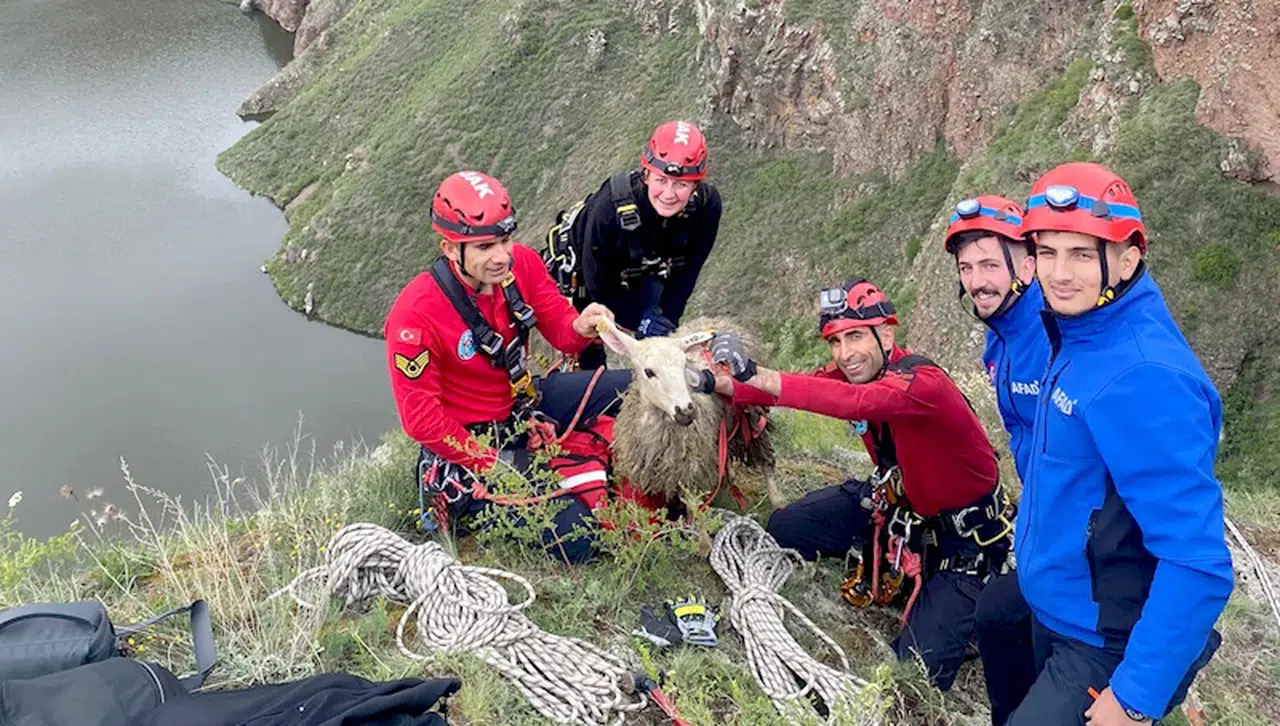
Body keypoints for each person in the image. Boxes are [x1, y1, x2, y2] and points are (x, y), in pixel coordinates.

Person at [1006, 162, 1233, 725]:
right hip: (1064, 607)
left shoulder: (1142, 375)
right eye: (1049, 251)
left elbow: (1198, 559)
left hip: (1106, 639)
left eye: (1082, 253)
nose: (1060, 273)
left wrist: (1133, 698)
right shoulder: (1082, 329)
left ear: (1127, 258)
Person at [707, 279, 1014, 692]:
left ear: (886, 334)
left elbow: (856, 403)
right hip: (896, 510)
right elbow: (804, 389)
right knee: (784, 529)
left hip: (962, 544)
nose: (844, 354)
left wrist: (753, 371)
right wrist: (719, 384)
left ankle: (973, 607)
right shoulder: (862, 373)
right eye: (835, 341)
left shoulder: (924, 384)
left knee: (914, 672)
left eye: (854, 337)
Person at [384, 170, 630, 564]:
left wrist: (582, 325)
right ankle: (476, 509)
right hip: (468, 445)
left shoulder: (524, 267)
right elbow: (420, 419)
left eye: (505, 240)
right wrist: (490, 464)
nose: (501, 256)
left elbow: (561, 329)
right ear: (450, 249)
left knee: (637, 388)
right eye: (484, 246)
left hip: (521, 408)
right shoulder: (416, 314)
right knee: (583, 538)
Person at [944, 195, 1044, 725]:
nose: (977, 280)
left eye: (989, 264)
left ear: (1025, 264)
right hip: (1043, 514)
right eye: (966, 267)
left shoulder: (1051, 332)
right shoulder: (1000, 337)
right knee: (999, 618)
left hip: (1090, 532)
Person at [543, 120, 722, 368]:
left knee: (662, 343)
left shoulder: (706, 208)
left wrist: (666, 321)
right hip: (585, 278)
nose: (669, 194)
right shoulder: (609, 210)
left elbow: (687, 272)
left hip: (644, 268)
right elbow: (598, 284)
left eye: (680, 184)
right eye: (661, 180)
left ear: (695, 185)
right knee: (588, 360)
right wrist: (639, 320)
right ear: (646, 174)